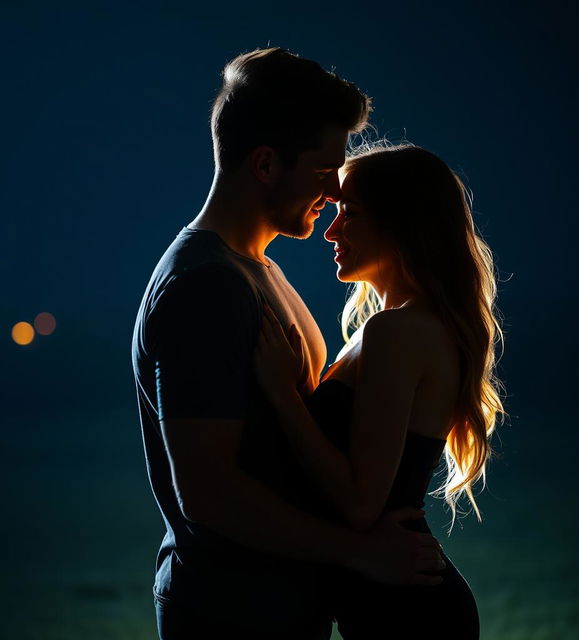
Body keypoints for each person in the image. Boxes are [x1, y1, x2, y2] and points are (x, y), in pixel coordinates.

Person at [131, 49, 446, 640]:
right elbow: (207, 494)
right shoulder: (204, 289)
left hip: (281, 605)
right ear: (267, 164)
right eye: (325, 169)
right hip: (227, 613)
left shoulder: (260, 270)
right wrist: (360, 553)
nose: (334, 189)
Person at [254, 143, 505, 638]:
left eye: (351, 214)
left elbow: (360, 503)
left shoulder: (398, 331)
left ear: (402, 223)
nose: (331, 230)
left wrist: (283, 396)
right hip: (392, 596)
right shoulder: (400, 328)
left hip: (406, 607)